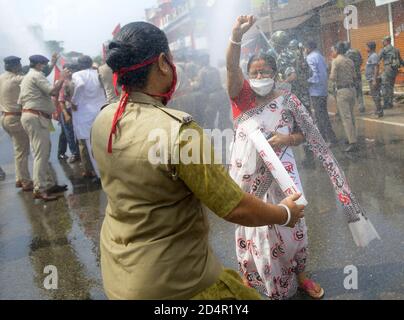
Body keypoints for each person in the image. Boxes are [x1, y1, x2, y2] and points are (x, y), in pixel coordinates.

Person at [91, 21, 305, 300]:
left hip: (119, 274)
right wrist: (284, 214)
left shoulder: (104, 118)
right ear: (162, 63)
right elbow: (234, 206)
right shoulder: (179, 132)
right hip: (178, 283)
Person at [227, 15, 324, 300]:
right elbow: (231, 66)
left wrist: (285, 139)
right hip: (251, 177)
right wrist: (235, 37)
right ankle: (249, 275)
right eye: (254, 72)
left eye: (265, 71)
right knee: (252, 224)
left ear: (276, 73)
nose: (259, 77)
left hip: (284, 174)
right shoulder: (241, 97)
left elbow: (305, 133)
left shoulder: (287, 99)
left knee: (294, 224)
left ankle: (300, 274)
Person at [19, 55, 68, 201]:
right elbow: (53, 91)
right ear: (40, 65)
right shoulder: (36, 75)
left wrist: (53, 64)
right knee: (41, 154)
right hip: (36, 117)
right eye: (44, 65)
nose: (45, 67)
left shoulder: (29, 76)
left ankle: (48, 184)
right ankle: (40, 188)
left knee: (41, 152)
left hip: (32, 116)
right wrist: (62, 78)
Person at [0, 56, 33, 191]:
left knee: (18, 150)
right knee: (22, 151)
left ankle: (19, 178)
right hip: (15, 118)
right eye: (19, 64)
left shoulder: (1, 77)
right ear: (14, 66)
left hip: (5, 117)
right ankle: (25, 181)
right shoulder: (17, 79)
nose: (21, 65)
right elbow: (33, 79)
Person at [71, 55, 106, 179]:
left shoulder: (77, 75)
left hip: (86, 113)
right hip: (101, 110)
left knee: (91, 146)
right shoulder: (97, 72)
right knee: (105, 143)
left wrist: (74, 102)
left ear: (79, 65)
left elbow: (79, 86)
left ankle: (101, 175)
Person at [305, 41, 337, 145]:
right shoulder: (320, 56)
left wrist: (306, 81)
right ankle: (325, 138)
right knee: (322, 116)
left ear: (308, 48)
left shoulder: (310, 58)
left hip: (316, 91)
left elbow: (314, 75)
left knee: (321, 117)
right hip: (323, 90)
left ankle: (329, 139)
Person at [330, 42, 358, 153]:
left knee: (346, 118)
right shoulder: (349, 61)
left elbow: (332, 77)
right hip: (352, 90)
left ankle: (352, 142)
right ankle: (353, 137)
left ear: (337, 50)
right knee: (351, 116)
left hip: (342, 91)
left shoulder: (336, 61)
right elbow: (355, 76)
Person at [58, 63, 80, 163]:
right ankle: (74, 153)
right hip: (67, 111)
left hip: (78, 111)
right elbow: (61, 101)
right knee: (69, 134)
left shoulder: (77, 81)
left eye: (71, 70)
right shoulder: (63, 84)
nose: (70, 72)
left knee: (79, 133)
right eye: (67, 70)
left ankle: (81, 152)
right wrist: (65, 114)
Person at [378, 36, 403, 110]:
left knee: (384, 86)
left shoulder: (384, 50)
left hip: (387, 69)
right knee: (391, 86)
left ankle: (386, 104)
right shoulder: (396, 49)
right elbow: (401, 61)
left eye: (383, 41)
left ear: (386, 41)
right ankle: (390, 103)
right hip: (394, 70)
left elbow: (377, 59)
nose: (382, 42)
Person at [344, 42, 365, 113]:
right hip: (358, 73)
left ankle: (350, 108)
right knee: (359, 91)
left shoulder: (346, 54)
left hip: (350, 75)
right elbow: (361, 61)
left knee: (350, 91)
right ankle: (361, 106)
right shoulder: (357, 51)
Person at [365, 41, 383, 118]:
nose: (365, 48)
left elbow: (376, 67)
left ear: (370, 48)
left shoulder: (374, 56)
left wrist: (374, 79)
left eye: (366, 47)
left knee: (376, 95)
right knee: (375, 95)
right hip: (371, 78)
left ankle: (379, 112)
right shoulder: (371, 55)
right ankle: (377, 110)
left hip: (373, 79)